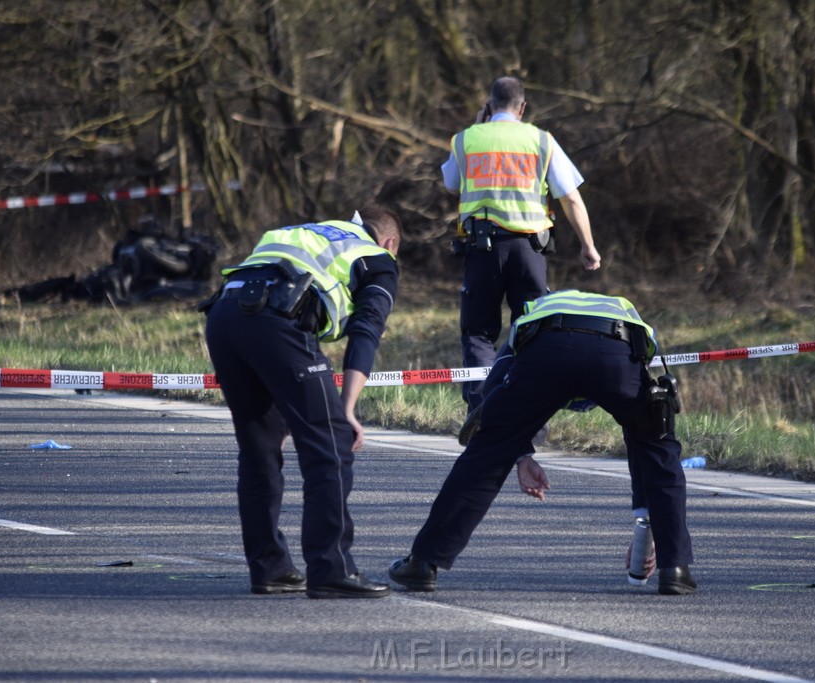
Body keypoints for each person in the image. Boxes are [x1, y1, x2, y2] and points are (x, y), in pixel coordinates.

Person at [388, 290, 696, 596]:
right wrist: (647, 523)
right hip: (615, 348)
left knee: (487, 454)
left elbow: (493, 394)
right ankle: (675, 569)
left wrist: (518, 452)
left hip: (550, 347)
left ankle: (424, 563)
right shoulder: (626, 312)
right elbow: (641, 443)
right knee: (657, 447)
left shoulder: (533, 313)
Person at [203, 205, 401, 599]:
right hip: (277, 319)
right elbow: (366, 331)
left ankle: (270, 569)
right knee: (331, 446)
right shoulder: (378, 258)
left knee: (260, 449)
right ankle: (331, 569)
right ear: (391, 242)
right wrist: (346, 411)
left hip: (224, 315)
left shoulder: (303, 232)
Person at [441, 76, 602, 416]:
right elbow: (571, 197)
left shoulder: (467, 138)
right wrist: (588, 245)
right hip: (530, 250)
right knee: (533, 331)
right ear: (523, 107)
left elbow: (451, 181)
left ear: (489, 104)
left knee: (478, 334)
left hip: (482, 249)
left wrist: (475, 125)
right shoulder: (541, 140)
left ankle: (484, 412)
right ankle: (529, 415)